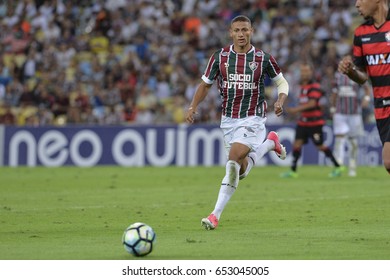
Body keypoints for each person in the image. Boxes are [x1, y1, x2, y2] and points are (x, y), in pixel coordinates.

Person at [185, 15, 289, 230]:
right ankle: (270, 143)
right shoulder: (220, 57)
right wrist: (193, 106)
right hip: (229, 120)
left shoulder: (263, 58)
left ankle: (214, 215)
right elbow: (205, 85)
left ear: (252, 31)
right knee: (239, 171)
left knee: (232, 160)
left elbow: (282, 82)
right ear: (230, 33)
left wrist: (280, 100)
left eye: (245, 30)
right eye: (237, 30)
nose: (241, 34)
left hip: (253, 117)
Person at [338, 0, 390, 175]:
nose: (357, 4)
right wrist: (350, 70)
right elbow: (362, 77)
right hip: (383, 106)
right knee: (389, 162)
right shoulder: (361, 33)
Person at [280, 62, 343, 178]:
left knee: (320, 146)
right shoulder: (300, 87)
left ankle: (338, 166)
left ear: (311, 72)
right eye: (303, 71)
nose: (304, 73)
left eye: (307, 71)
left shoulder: (315, 86)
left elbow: (312, 103)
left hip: (315, 122)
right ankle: (293, 171)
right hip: (303, 122)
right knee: (297, 144)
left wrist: (296, 110)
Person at [330, 68, 371, 177]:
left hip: (354, 113)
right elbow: (334, 92)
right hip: (340, 112)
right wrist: (332, 108)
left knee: (353, 142)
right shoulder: (338, 75)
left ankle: (352, 167)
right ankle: (338, 166)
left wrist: (366, 98)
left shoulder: (357, 74)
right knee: (339, 139)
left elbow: (367, 88)